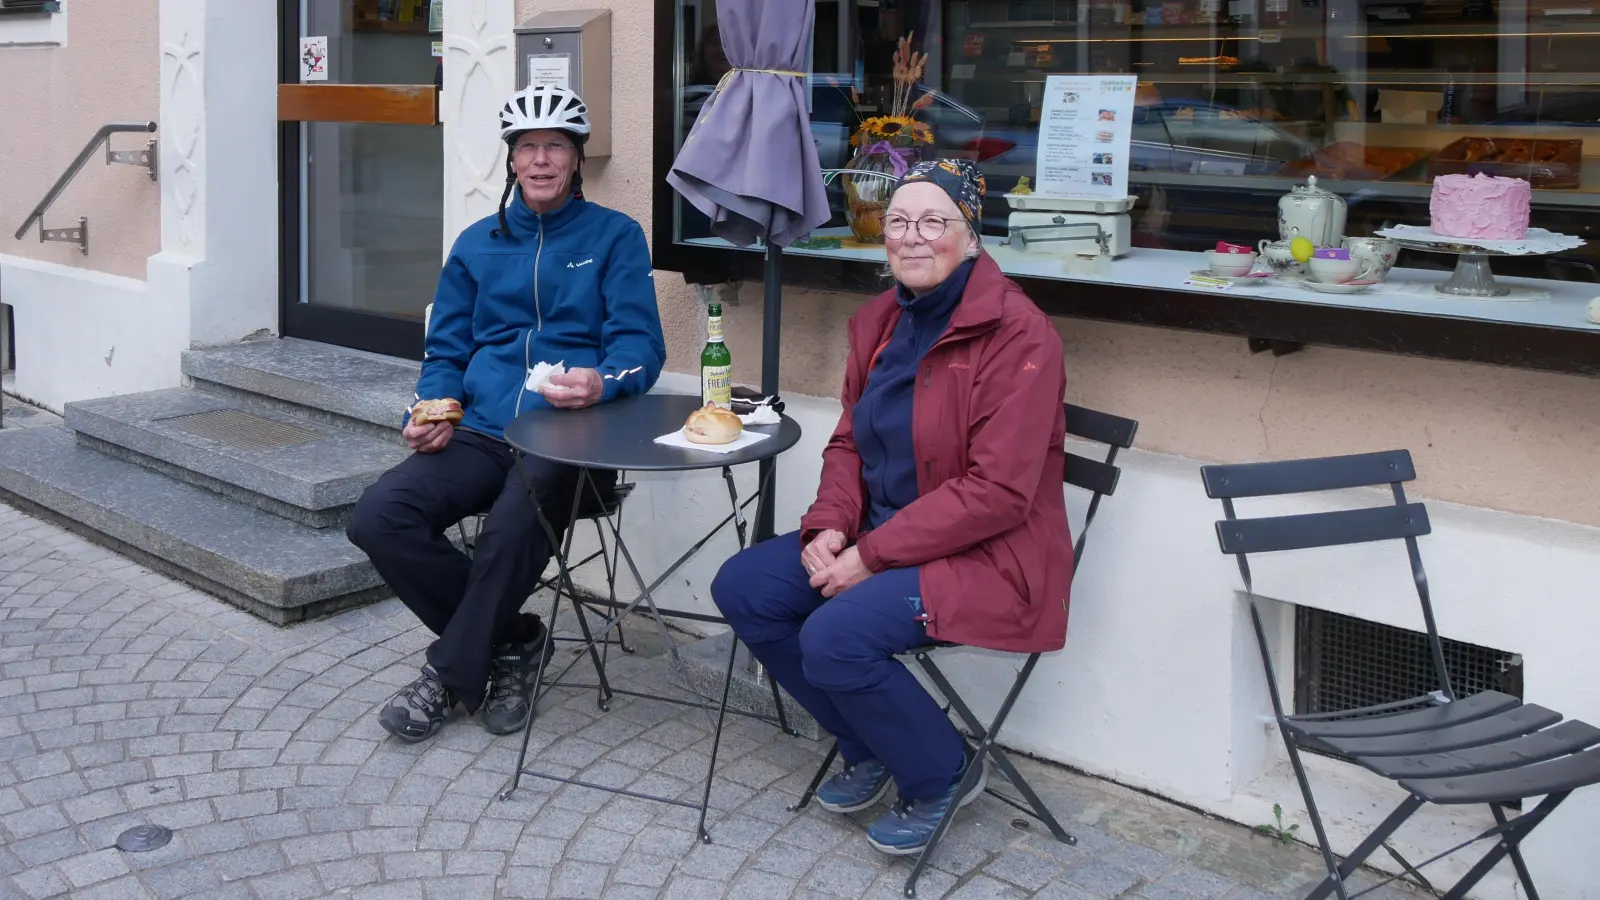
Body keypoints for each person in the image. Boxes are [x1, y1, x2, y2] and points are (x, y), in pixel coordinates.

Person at [711, 159, 1072, 856]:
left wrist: (868, 556)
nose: (912, 237)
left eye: (935, 221)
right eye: (899, 221)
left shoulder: (1020, 336)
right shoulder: (879, 323)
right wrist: (830, 525)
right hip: (881, 536)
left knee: (834, 635)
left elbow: (998, 492)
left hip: (989, 558)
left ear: (971, 237)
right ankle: (870, 744)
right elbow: (850, 439)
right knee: (747, 588)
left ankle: (943, 771)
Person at [347, 84, 667, 743]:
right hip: (484, 430)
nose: (542, 160)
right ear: (512, 161)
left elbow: (642, 348)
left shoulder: (616, 236)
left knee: (513, 523)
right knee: (378, 518)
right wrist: (434, 408)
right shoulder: (476, 243)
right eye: (528, 148)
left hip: (573, 439)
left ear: (577, 159)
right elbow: (446, 350)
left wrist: (601, 382)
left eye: (555, 147)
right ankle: (517, 638)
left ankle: (448, 674)